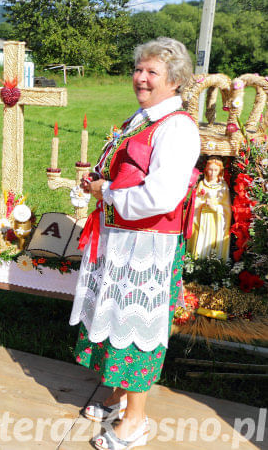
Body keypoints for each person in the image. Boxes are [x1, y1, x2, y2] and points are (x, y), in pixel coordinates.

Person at [71, 37, 200, 450]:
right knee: (111, 315)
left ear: (175, 81)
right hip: (123, 235)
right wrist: (96, 180)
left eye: (152, 73)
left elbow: (161, 196)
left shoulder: (176, 127)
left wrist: (106, 191)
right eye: (138, 70)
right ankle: (116, 394)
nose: (141, 79)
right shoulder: (142, 117)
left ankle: (136, 421)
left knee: (134, 324)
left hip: (148, 243)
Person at [188, 157, 231, 261]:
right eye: (210, 169)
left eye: (215, 170)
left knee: (212, 241)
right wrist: (203, 204)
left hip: (216, 220)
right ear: (206, 169)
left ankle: (212, 263)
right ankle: (197, 261)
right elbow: (196, 202)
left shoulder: (223, 186)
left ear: (220, 171)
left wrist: (216, 208)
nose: (212, 173)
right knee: (201, 239)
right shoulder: (202, 184)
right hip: (202, 218)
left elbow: (227, 207)